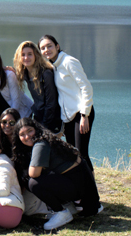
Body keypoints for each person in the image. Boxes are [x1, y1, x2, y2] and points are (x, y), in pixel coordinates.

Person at [11, 117, 101, 231]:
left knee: (33, 183)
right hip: (82, 188)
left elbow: (33, 173)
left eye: (29, 131)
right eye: (22, 134)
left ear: (37, 129)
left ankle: (61, 212)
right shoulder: (47, 139)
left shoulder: (40, 144)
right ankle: (72, 205)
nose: (27, 136)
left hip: (82, 191)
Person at [39, 35, 95, 172]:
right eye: (43, 48)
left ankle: (91, 187)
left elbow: (86, 87)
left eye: (49, 46)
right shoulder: (53, 65)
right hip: (69, 117)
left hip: (81, 114)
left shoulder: (69, 62)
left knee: (81, 154)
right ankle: (80, 186)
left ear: (57, 46)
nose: (47, 50)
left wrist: (84, 115)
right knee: (72, 154)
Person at [13, 41, 61, 133]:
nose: (26, 58)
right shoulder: (25, 73)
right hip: (38, 118)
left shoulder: (46, 74)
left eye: (30, 54)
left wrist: (44, 127)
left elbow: (51, 104)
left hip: (51, 122)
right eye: (23, 55)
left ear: (36, 55)